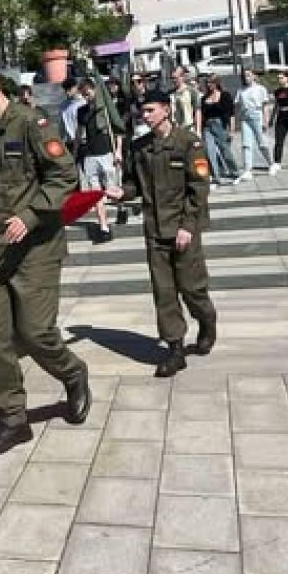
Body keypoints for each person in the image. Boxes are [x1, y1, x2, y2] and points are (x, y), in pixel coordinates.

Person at [0, 57, 91, 456]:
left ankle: (73, 372)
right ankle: (13, 420)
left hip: (36, 248)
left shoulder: (31, 123)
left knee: (35, 333)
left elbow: (64, 177)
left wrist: (28, 216)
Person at [105, 89, 217, 378]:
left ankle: (207, 320)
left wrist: (187, 227)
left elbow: (199, 189)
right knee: (164, 293)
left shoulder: (188, 144)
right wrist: (121, 193)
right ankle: (175, 350)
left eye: (151, 110)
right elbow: (135, 185)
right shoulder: (140, 147)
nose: (145, 116)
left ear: (166, 110)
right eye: (142, 111)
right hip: (155, 231)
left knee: (192, 289)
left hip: (182, 230)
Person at [76, 78, 120, 240]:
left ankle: (119, 207)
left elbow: (117, 129)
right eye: (83, 94)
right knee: (96, 192)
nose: (87, 96)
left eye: (88, 92)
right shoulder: (81, 111)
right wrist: (75, 152)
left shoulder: (105, 109)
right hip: (90, 153)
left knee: (111, 188)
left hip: (106, 151)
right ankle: (103, 225)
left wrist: (119, 151)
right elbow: (79, 133)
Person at [200, 74, 240, 184]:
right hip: (207, 126)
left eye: (211, 82)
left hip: (220, 124)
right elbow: (202, 115)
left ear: (216, 83)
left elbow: (231, 113)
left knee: (224, 150)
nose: (209, 85)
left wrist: (232, 130)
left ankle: (234, 173)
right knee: (209, 150)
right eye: (207, 83)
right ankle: (215, 176)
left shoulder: (224, 95)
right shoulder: (204, 98)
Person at [234, 69, 274, 178]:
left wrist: (266, 120)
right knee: (246, 144)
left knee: (262, 143)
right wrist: (238, 120)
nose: (246, 78)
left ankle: (271, 163)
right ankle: (247, 169)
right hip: (245, 118)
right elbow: (237, 106)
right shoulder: (241, 90)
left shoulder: (260, 89)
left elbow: (265, 106)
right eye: (244, 76)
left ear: (254, 76)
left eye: (248, 75)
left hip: (257, 115)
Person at [170, 67, 201, 136]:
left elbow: (197, 111)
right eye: (172, 78)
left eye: (175, 78)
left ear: (182, 77)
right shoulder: (171, 94)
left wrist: (198, 131)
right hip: (176, 130)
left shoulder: (192, 91)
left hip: (189, 128)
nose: (174, 80)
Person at [59, 78, 83, 149]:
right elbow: (62, 125)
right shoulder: (63, 105)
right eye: (65, 89)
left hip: (82, 141)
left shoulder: (83, 103)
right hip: (68, 142)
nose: (67, 92)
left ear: (76, 87)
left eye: (69, 89)